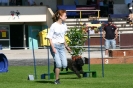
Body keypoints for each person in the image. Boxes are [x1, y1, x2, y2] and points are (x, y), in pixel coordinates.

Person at [46, 10, 71, 84]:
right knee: (59, 64)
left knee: (65, 64)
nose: (66, 17)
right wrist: (53, 48)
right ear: (60, 16)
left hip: (61, 46)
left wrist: (67, 46)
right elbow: (50, 38)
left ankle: (56, 65)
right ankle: (57, 80)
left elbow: (63, 37)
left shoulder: (64, 25)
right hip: (55, 46)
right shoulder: (54, 25)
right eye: (65, 16)